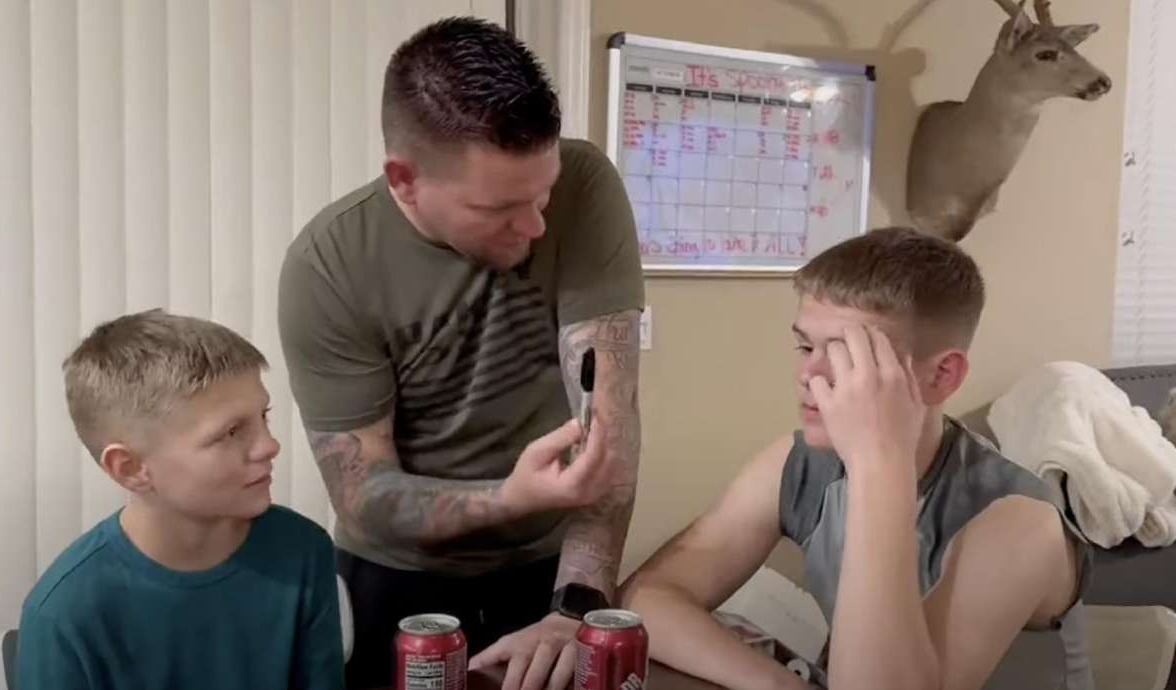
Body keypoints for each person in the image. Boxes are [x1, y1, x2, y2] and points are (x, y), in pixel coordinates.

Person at [277, 16, 644, 690]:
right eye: (499, 208)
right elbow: (361, 492)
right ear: (404, 180)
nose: (536, 225)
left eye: (542, 194)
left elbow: (609, 428)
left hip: (550, 572)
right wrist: (507, 497)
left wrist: (576, 608)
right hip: (396, 581)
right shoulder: (328, 266)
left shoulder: (585, 185)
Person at [619, 227, 1092, 690]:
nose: (809, 374)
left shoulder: (1020, 519)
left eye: (848, 356)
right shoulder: (800, 464)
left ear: (942, 376)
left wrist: (878, 463)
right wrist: (775, 682)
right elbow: (647, 600)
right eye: (806, 346)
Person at [17, 309, 343, 690]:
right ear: (130, 468)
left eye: (264, 416)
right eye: (231, 432)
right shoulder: (64, 614)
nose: (270, 445)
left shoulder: (302, 552)